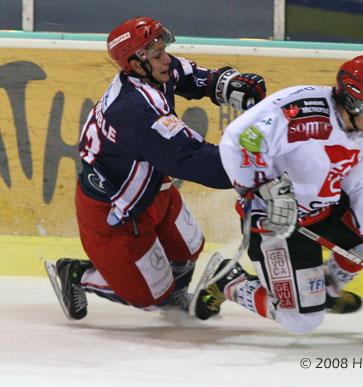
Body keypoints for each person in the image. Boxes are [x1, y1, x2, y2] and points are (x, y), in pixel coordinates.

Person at [44, 16, 266, 321]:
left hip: (152, 187)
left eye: (162, 50)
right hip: (115, 212)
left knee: (189, 249)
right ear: (136, 64)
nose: (166, 59)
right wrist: (256, 170)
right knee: (151, 297)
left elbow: (190, 76)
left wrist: (226, 84)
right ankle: (76, 274)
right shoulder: (135, 111)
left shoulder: (154, 71)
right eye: (157, 54)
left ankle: (169, 290)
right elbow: (195, 159)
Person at [194, 55, 363, 334]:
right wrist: (264, 185)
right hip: (277, 221)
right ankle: (229, 281)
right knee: (301, 321)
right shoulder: (300, 111)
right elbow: (239, 140)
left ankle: (326, 291)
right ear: (353, 103)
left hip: (323, 210)